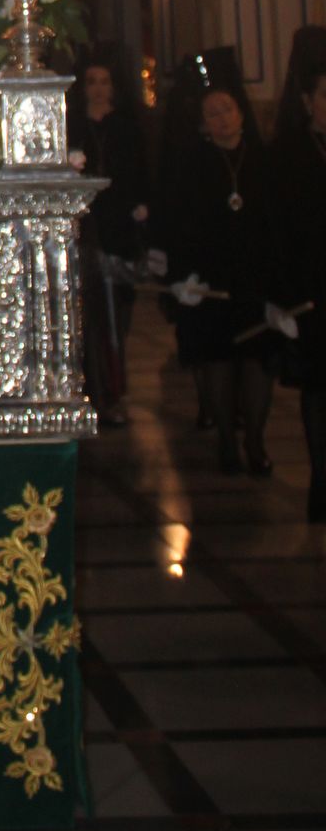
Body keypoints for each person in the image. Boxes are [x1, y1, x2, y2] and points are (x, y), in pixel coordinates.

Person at [158, 52, 273, 475]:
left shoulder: (264, 160)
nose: (222, 119)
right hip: (211, 277)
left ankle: (256, 441)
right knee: (220, 360)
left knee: (259, 360)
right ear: (203, 123)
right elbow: (181, 223)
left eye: (227, 110)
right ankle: (227, 439)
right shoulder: (192, 166)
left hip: (256, 275)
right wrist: (182, 277)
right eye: (213, 113)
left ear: (241, 113)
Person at [67, 46, 153, 425]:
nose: (98, 89)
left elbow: (140, 171)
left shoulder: (127, 126)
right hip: (85, 228)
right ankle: (91, 391)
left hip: (118, 228)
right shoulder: (73, 126)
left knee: (117, 317)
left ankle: (115, 392)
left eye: (104, 82)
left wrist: (140, 208)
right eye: (92, 82)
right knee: (88, 318)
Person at [263, 47, 326, 521]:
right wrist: (284, 293)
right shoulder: (289, 153)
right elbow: (278, 226)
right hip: (312, 289)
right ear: (308, 101)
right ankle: (321, 479)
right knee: (319, 389)